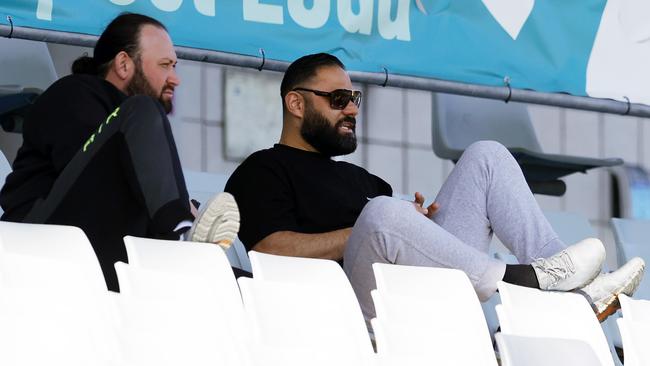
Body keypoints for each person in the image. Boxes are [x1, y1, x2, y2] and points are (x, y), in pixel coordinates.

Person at [225, 53, 645, 323]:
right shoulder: (263, 169)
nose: (352, 108)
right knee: (383, 214)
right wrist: (369, 230)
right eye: (337, 99)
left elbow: (389, 232)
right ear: (296, 104)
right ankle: (528, 281)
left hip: (419, 298)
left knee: (487, 155)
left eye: (354, 97)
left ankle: (573, 289)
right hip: (345, 314)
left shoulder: (364, 180)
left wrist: (415, 225)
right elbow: (269, 251)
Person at [0, 13, 240, 291]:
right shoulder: (74, 93)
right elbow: (96, 179)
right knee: (142, 111)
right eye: (165, 65)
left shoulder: (137, 126)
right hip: (40, 240)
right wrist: (185, 216)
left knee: (242, 283)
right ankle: (182, 239)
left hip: (106, 252)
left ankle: (186, 244)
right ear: (124, 64)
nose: (175, 79)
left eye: (175, 66)